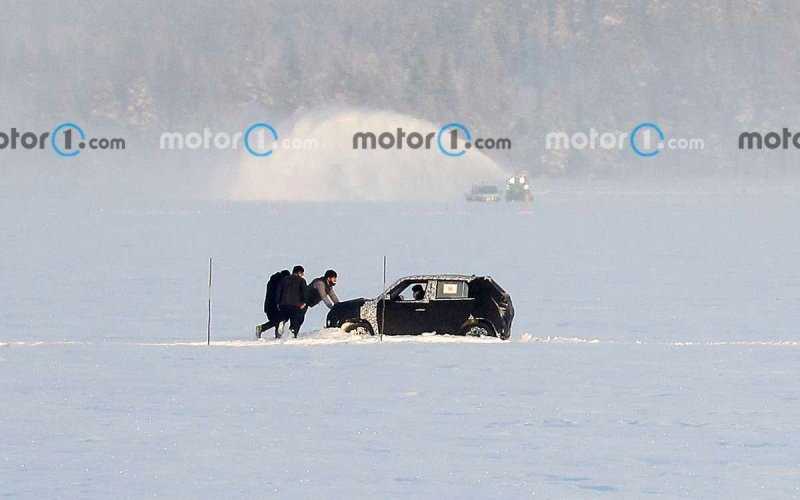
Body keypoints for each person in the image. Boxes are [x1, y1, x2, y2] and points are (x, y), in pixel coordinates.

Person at [255, 269, 290, 339]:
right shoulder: (280, 282)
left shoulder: (272, 281)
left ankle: (277, 336)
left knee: (278, 320)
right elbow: (278, 294)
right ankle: (261, 328)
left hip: (268, 306)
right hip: (275, 305)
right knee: (279, 320)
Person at [278, 265, 308, 338]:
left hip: (283, 304)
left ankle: (282, 322)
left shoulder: (284, 279)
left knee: (285, 316)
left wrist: (278, 303)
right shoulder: (302, 281)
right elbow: (304, 292)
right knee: (296, 320)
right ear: (299, 273)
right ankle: (292, 334)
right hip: (295, 305)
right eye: (302, 273)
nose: (303, 275)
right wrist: (304, 302)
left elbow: (278, 291)